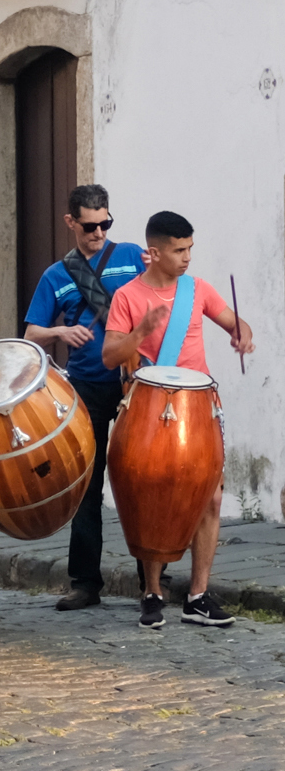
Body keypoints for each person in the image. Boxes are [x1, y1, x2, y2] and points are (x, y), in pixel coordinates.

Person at [102, 210, 254, 630]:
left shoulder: (197, 289)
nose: (187, 257)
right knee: (154, 496)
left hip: (199, 404)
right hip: (151, 405)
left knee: (212, 497)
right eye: (178, 250)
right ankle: (152, 591)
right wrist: (139, 332)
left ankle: (198, 596)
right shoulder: (128, 297)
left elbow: (232, 321)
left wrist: (241, 331)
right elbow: (110, 356)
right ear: (153, 253)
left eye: (190, 249)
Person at [22, 184, 147, 611]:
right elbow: (31, 333)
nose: (98, 233)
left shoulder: (131, 256)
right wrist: (59, 332)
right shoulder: (57, 275)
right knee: (87, 483)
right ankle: (85, 583)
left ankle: (153, 580)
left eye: (105, 224)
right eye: (90, 225)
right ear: (71, 222)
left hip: (134, 381)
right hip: (86, 385)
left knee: (138, 479)